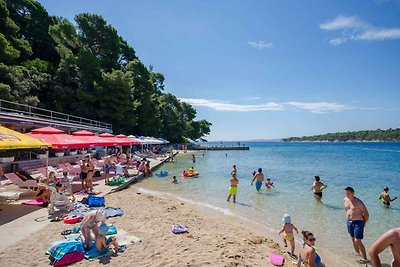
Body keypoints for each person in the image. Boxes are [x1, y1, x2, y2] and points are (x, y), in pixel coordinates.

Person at [344, 186, 369, 264]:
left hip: (358, 222)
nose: (347, 195)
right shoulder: (345, 200)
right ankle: (358, 254)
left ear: (353, 193)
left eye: (348, 193)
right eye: (346, 193)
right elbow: (347, 210)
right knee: (353, 239)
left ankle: (365, 258)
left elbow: (366, 214)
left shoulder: (358, 202)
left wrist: (364, 222)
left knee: (357, 240)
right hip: (349, 222)